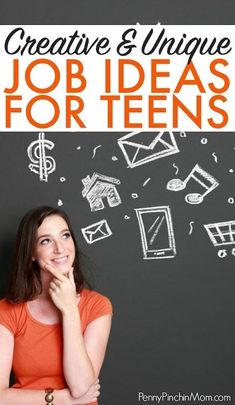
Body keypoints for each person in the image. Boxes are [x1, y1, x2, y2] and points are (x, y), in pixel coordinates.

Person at [0, 206, 113, 405]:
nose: (60, 249)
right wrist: (60, 399)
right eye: (46, 241)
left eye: (65, 236)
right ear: (31, 253)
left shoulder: (97, 306)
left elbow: (81, 387)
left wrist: (69, 310)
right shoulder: (7, 310)